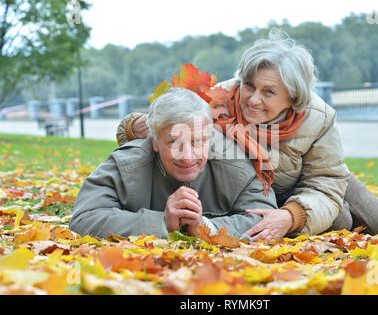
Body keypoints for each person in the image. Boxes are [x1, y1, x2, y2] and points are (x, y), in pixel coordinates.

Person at [115, 28, 378, 242]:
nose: (252, 99)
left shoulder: (319, 117)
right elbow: (162, 126)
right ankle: (335, 213)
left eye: (269, 92)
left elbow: (326, 182)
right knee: (340, 220)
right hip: (262, 192)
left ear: (292, 97)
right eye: (249, 85)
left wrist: (293, 215)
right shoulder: (216, 98)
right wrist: (136, 126)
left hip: (313, 177)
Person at [70, 87, 278, 239]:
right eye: (173, 142)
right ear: (155, 142)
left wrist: (206, 227)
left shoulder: (237, 166)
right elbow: (85, 217)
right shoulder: (127, 165)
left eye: (198, 141)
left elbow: (265, 218)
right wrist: (161, 223)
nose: (187, 156)